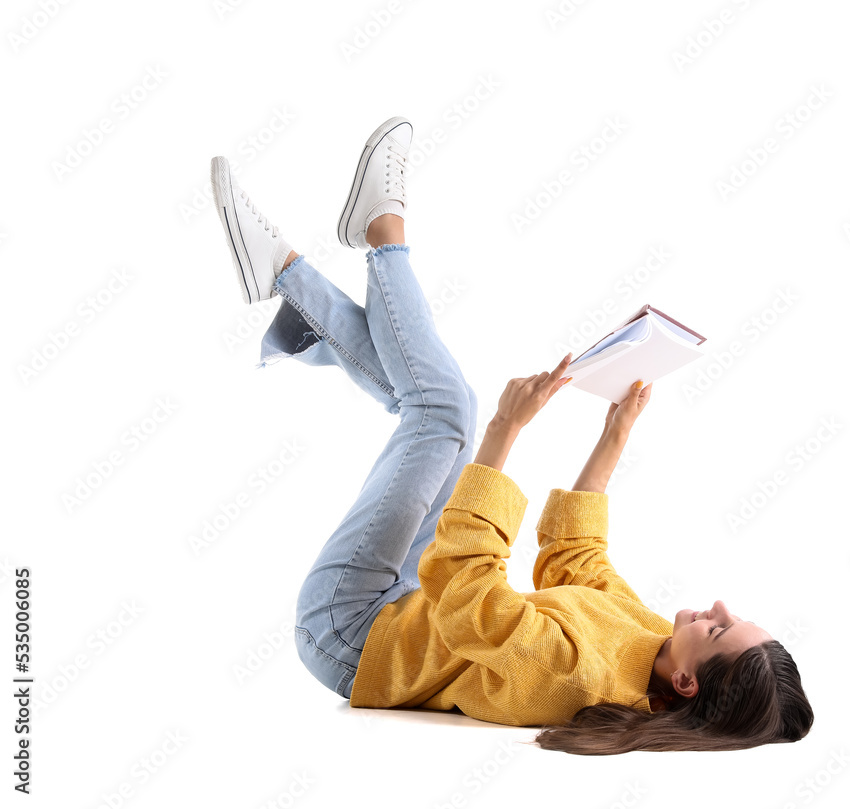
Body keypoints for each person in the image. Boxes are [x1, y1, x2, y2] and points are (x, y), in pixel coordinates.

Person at [209, 116, 814, 755]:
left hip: (352, 634)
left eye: (721, 631)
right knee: (437, 412)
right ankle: (288, 280)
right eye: (736, 617)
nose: (719, 608)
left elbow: (468, 592)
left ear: (688, 682)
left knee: (445, 413)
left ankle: (377, 237)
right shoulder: (654, 643)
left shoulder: (572, 675)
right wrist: (613, 440)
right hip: (416, 606)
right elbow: (577, 564)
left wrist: (507, 431)